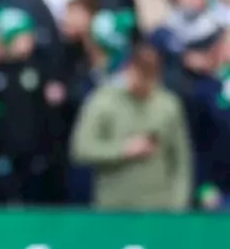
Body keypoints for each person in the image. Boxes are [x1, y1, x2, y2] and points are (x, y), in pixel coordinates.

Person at [70, 44, 192, 210]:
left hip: (159, 208)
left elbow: (181, 159)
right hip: (114, 206)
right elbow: (81, 149)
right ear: (128, 70)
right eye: (139, 76)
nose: (143, 84)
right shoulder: (102, 101)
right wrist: (123, 149)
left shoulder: (168, 105)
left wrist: (178, 203)